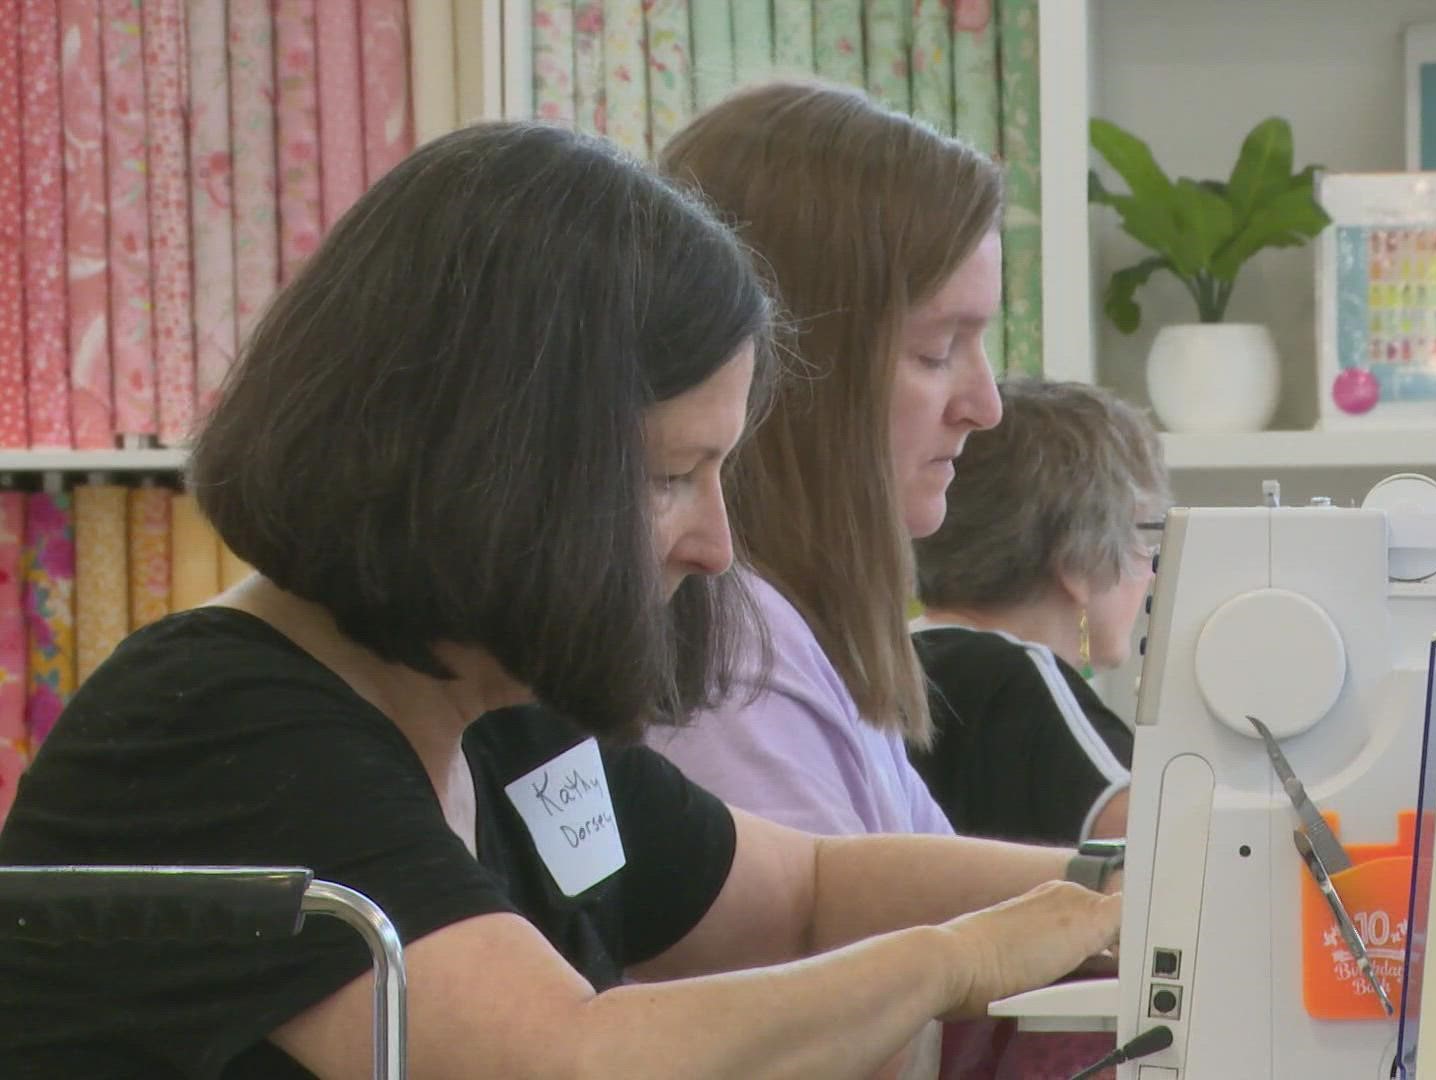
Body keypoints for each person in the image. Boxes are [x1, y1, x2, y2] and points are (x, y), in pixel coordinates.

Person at [0, 121, 1118, 1079]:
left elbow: (811, 890)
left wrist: (1137, 887)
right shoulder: (219, 728)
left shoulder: (495, 717)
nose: (717, 546)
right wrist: (957, 961)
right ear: (496, 463)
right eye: (669, 477)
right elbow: (570, 1059)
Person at [646, 82, 1125, 1080]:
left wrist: (1158, 895)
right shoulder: (729, 663)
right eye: (938, 350)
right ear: (797, 370)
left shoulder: (797, 641)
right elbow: (840, 1026)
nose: (985, 404)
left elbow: (841, 893)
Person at [911, 379, 1171, 847]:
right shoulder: (1019, 679)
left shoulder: (897, 660)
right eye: (1140, 535)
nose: (1150, 571)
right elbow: (1167, 845)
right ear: (1081, 557)